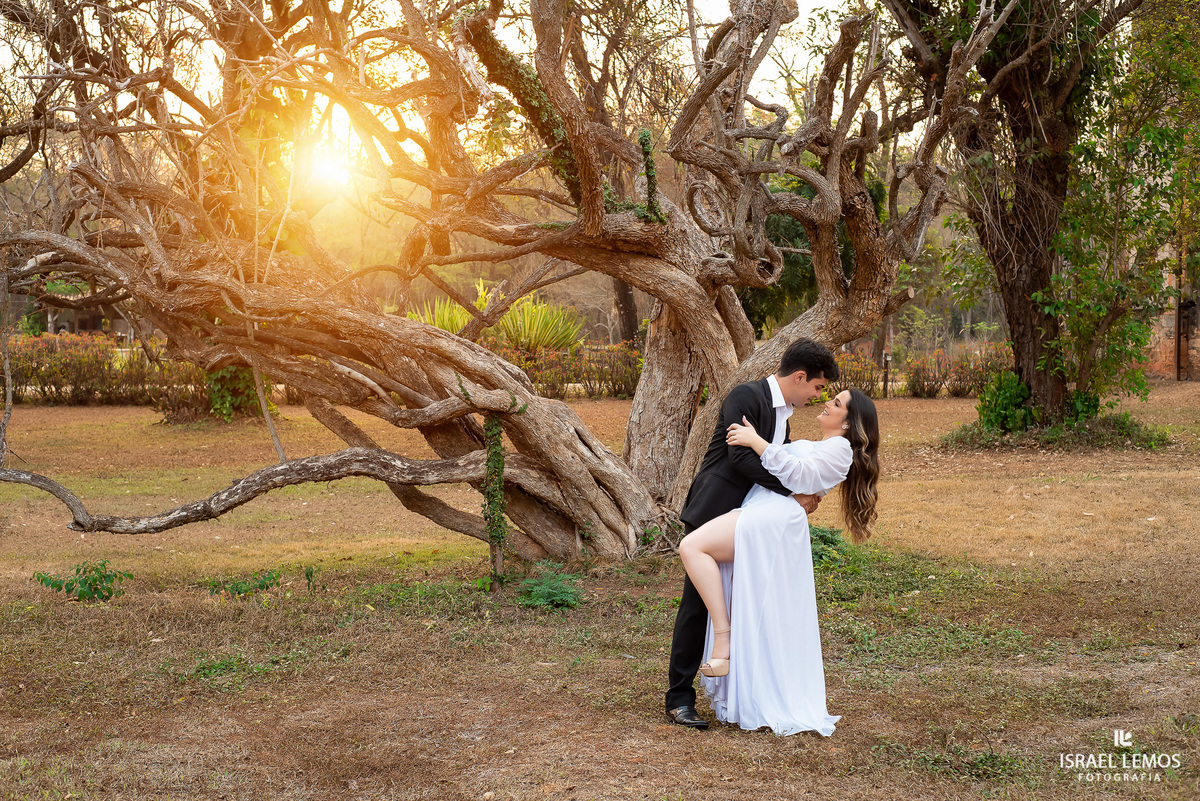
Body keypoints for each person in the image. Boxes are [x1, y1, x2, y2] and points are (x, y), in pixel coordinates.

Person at [679, 387, 880, 735]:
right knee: (737, 586)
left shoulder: (840, 449)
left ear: (848, 424)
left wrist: (755, 440)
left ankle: (724, 639)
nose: (825, 403)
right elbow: (792, 475)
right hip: (764, 512)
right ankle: (739, 665)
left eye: (834, 403)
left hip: (773, 519)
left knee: (693, 547)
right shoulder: (825, 445)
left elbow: (795, 473)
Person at [664, 339, 839, 730]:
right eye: (817, 387)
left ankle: (738, 691)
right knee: (697, 605)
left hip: (748, 519)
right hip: (714, 507)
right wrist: (791, 493)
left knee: (738, 600)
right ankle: (679, 698)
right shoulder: (745, 397)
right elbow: (739, 458)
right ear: (799, 377)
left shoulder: (784, 419)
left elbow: (782, 461)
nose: (817, 395)